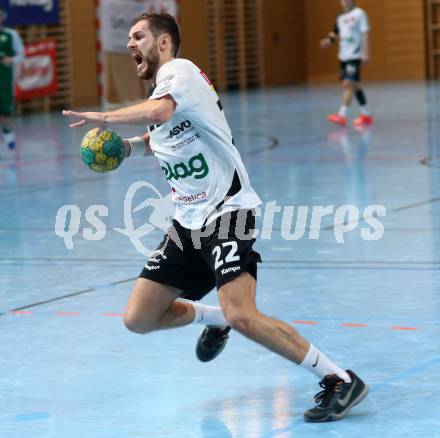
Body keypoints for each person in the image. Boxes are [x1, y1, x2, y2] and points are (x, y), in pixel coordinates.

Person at [63, 12, 368, 422]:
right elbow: (163, 135)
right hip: (187, 223)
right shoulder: (167, 90)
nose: (131, 43)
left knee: (244, 313)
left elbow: (158, 114)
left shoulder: (180, 72)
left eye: (139, 36)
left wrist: (104, 118)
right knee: (139, 318)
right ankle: (218, 318)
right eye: (130, 37)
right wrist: (128, 148)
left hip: (227, 213)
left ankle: (338, 378)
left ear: (165, 42)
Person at [320, 0, 373, 127]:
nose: (343, 1)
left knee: (348, 83)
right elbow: (334, 33)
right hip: (343, 56)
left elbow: (366, 33)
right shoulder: (340, 16)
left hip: (354, 55)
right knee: (355, 85)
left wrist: (366, 52)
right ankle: (366, 115)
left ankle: (342, 115)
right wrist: (328, 41)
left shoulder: (359, 13)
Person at [0, 6, 24, 151]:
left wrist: (11, 60)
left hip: (5, 81)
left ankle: (8, 132)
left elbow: (21, 56)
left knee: (6, 112)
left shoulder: (11, 35)